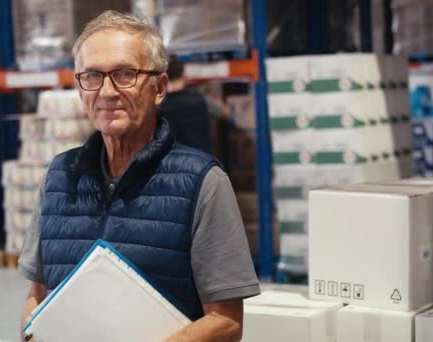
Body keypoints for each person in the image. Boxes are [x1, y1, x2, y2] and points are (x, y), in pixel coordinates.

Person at [17, 10, 259, 341]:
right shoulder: (59, 177)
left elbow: (227, 321)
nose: (106, 91)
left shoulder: (203, 183)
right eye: (91, 76)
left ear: (159, 87)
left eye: (125, 74)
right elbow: (37, 295)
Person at [159, 55, 228, 153]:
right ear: (183, 74)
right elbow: (225, 112)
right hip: (201, 163)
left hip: (171, 164)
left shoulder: (157, 106)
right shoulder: (201, 100)